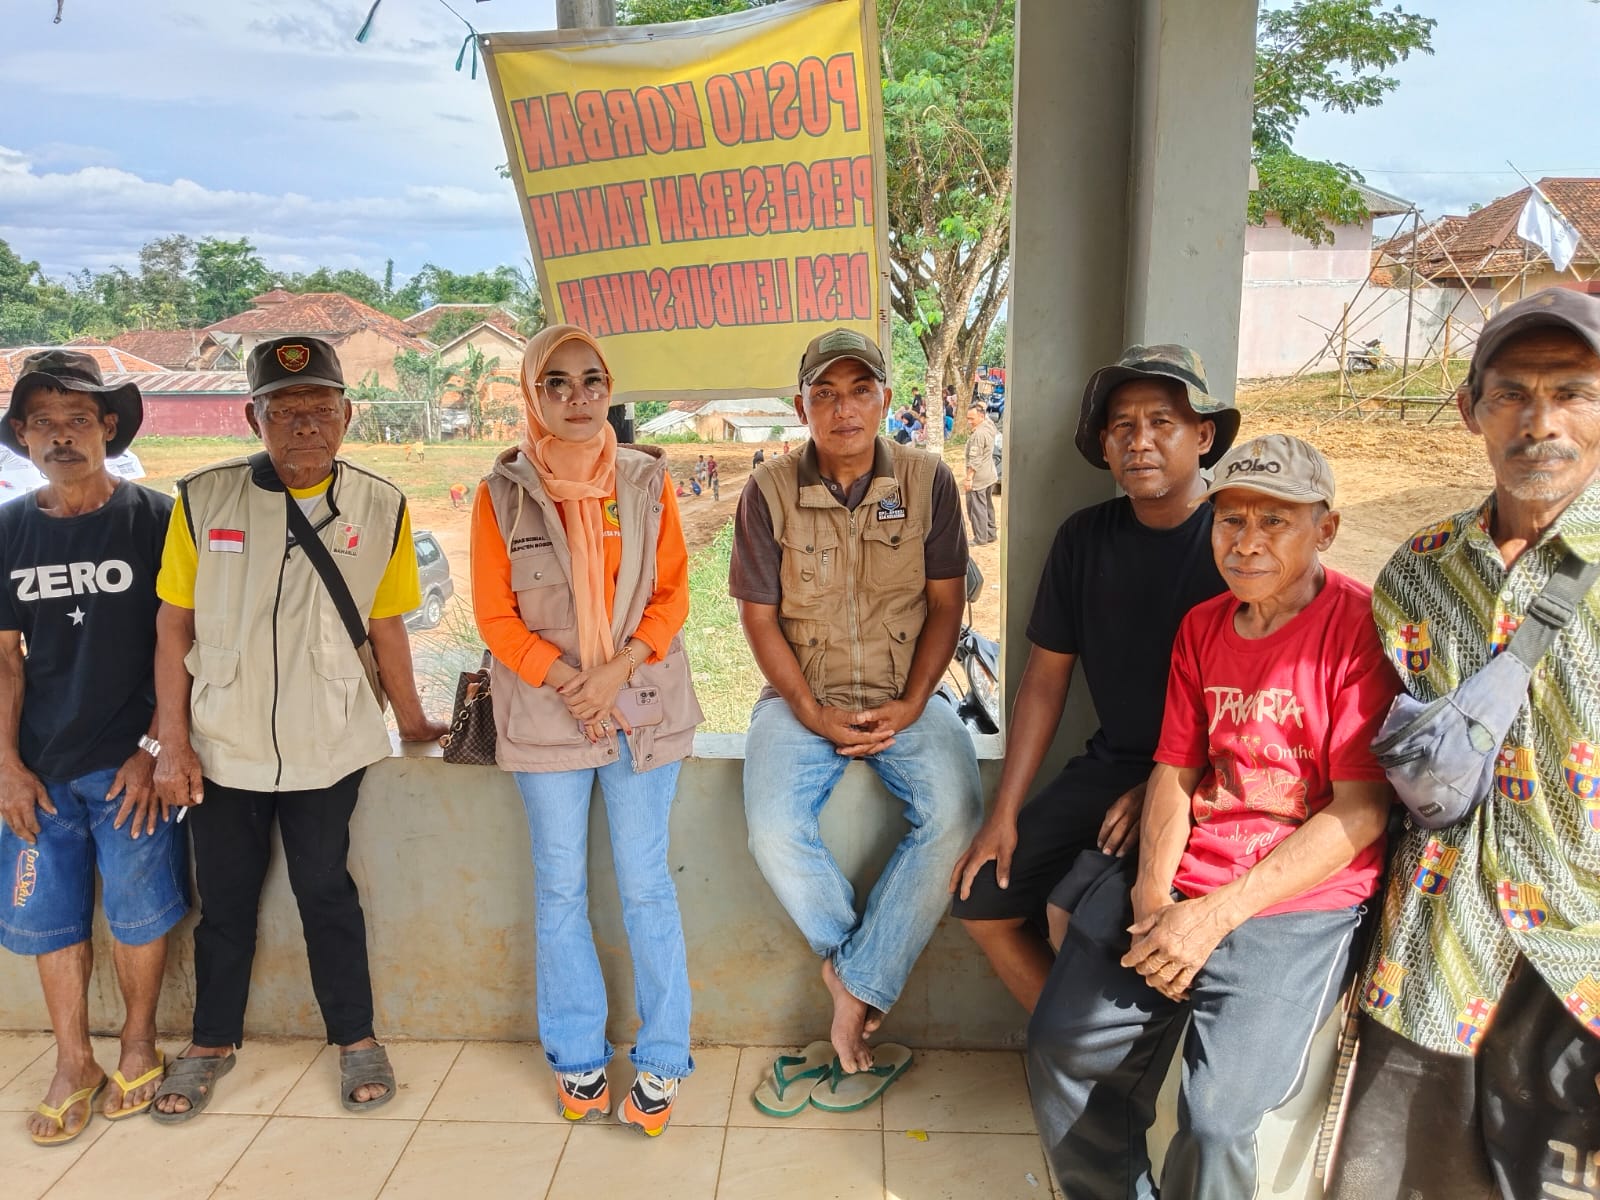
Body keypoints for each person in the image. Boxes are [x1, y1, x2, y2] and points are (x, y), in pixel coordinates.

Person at [1027, 433, 1399, 1199]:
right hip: (1187, 881)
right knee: (1063, 1048)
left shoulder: (1358, 626)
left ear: (1323, 530)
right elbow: (1175, 770)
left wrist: (1213, 919)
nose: (1248, 542)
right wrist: (1154, 899)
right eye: (1233, 520)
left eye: (1276, 521)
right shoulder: (1204, 626)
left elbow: (1361, 812)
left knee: (1218, 1120)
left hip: (1295, 906)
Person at [1329, 290, 1600, 1200]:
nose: (1541, 423)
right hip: (1437, 952)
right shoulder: (1417, 569)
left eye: (1573, 393)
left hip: (1582, 960)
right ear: (1471, 409)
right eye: (1513, 394)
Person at [149, 335, 447, 1121]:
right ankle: (211, 1043)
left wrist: (414, 720)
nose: (304, 426)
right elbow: (172, 626)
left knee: (326, 892)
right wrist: (171, 742)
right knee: (226, 903)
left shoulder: (382, 506)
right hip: (222, 745)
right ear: (254, 417)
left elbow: (387, 629)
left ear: (347, 416)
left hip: (331, 744)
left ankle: (355, 1039)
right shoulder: (203, 498)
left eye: (320, 409)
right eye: (285, 411)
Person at [949, 345, 1237, 1011]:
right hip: (1113, 765)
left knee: (1098, 924)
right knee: (982, 900)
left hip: (1214, 778)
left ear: (1203, 435)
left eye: (1162, 423)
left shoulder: (1234, 542)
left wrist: (1167, 788)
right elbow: (1045, 682)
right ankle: (1072, 1067)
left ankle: (1095, 1070)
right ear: (1105, 448)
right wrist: (1005, 815)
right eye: (1122, 427)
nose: (1141, 442)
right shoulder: (1084, 539)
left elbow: (1257, 702)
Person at [731, 327, 983, 1087]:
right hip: (799, 699)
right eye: (826, 393)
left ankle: (851, 982)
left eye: (860, 390)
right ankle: (858, 972)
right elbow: (758, 619)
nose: (844, 409)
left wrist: (912, 704)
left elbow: (946, 606)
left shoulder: (928, 480)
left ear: (885, 399)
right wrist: (809, 713)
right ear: (801, 404)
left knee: (957, 815)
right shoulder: (767, 490)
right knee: (772, 828)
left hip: (906, 695)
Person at [472, 324, 702, 1137]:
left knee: (646, 885)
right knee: (561, 887)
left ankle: (664, 1058)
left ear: (611, 389)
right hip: (547, 714)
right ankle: (576, 1057)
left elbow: (673, 594)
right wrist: (570, 681)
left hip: (639, 703)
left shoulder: (644, 480)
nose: (577, 398)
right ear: (532, 395)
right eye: (557, 383)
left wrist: (615, 670)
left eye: (592, 380)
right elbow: (495, 617)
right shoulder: (501, 491)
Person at [0, 352, 186, 1145]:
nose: (62, 437)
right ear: (21, 437)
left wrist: (154, 744)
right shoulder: (8, 530)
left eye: (79, 420)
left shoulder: (155, 519)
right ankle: (73, 1060)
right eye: (44, 423)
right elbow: (4, 659)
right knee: (48, 917)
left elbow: (182, 643)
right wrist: (5, 766)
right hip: (39, 770)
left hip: (130, 764)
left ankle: (138, 1042)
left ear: (109, 428)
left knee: (140, 911)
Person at [962, 403, 1000, 546]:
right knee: (988, 505)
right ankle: (991, 534)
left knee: (977, 509)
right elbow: (989, 418)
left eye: (972, 419)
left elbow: (975, 459)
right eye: (968, 418)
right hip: (990, 474)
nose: (969, 421)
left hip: (978, 477)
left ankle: (980, 538)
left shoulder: (978, 434)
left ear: (981, 417)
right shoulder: (989, 426)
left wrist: (969, 478)